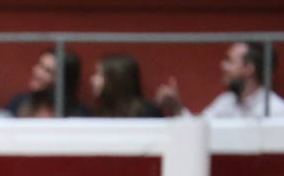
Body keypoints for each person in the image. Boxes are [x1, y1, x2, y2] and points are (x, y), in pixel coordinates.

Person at [156, 41, 284, 119]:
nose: (222, 65)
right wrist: (176, 108)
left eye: (229, 61)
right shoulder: (226, 102)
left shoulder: (276, 110)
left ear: (249, 69)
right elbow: (200, 132)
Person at [6, 48, 90, 117]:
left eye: (47, 71)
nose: (37, 72)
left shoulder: (78, 115)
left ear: (63, 81)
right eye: (40, 65)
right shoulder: (19, 103)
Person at [90, 53, 160, 118]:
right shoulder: (99, 113)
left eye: (99, 74)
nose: (92, 79)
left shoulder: (147, 113)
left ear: (116, 79)